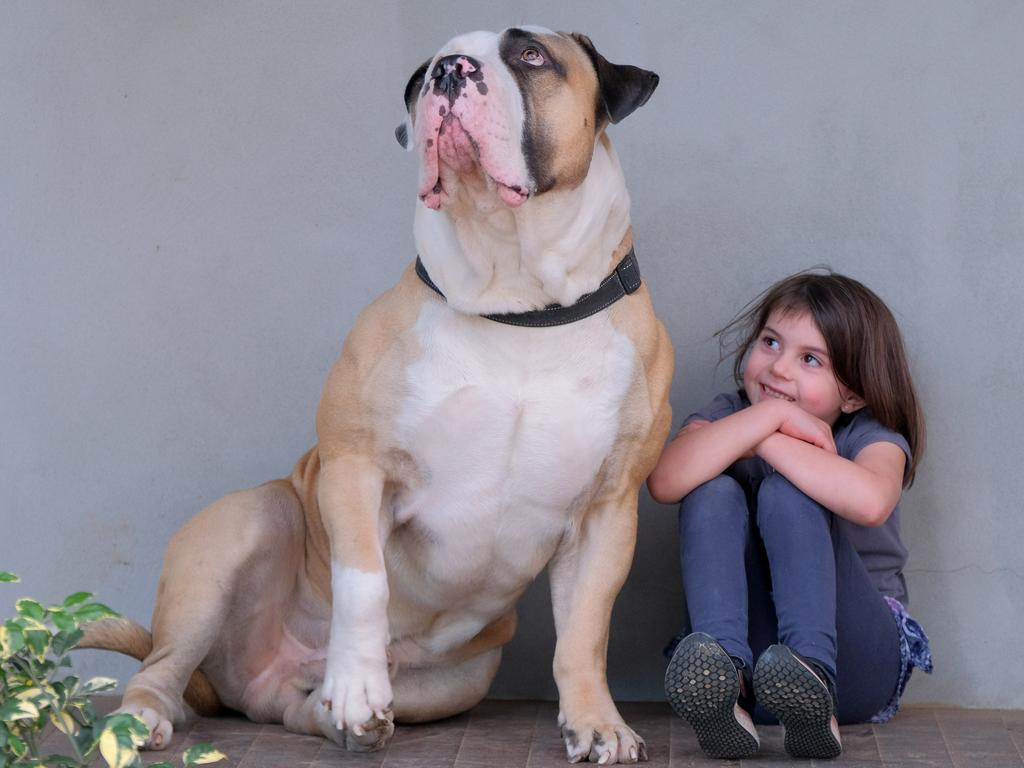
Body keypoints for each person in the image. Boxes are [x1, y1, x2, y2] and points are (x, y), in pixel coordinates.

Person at [648, 270, 932, 760]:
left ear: (854, 394)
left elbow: (869, 501)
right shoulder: (730, 412)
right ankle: (725, 687)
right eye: (771, 342)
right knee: (709, 489)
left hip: (856, 665)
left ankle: (815, 683)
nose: (779, 369)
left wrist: (761, 434)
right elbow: (665, 481)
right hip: (761, 667)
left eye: (810, 359)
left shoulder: (872, 434)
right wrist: (767, 418)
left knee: (789, 492)